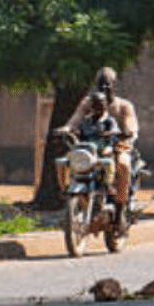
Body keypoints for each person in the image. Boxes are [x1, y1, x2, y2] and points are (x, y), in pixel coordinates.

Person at [56, 67, 139, 232]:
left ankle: (120, 211)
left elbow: (131, 127)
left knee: (123, 165)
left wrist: (125, 132)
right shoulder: (89, 102)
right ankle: (68, 197)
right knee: (67, 161)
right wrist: (66, 129)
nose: (104, 88)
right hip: (93, 148)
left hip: (118, 145)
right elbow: (75, 119)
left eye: (108, 84)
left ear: (115, 85)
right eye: (101, 84)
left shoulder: (124, 106)